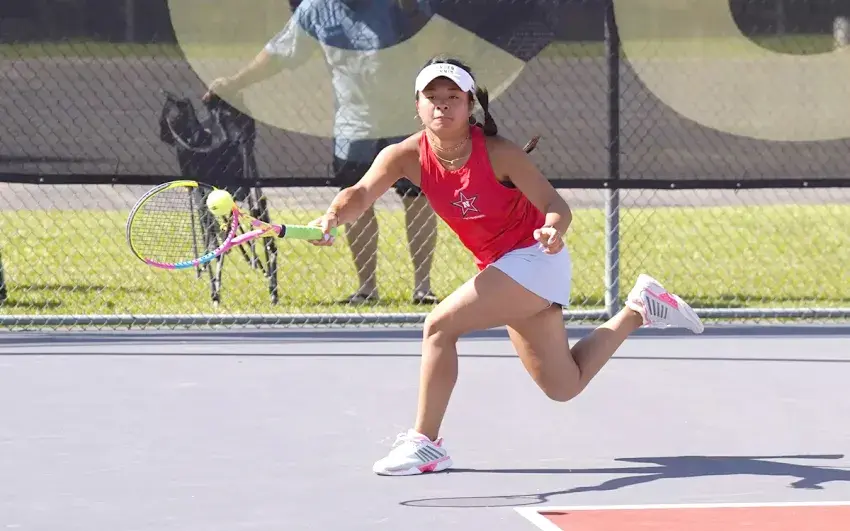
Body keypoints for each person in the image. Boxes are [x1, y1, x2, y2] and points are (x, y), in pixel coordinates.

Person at [308, 56, 705, 476]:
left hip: (536, 259)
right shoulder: (403, 156)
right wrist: (331, 217)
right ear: (417, 105)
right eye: (432, 96)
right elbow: (360, 194)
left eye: (453, 96)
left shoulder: (500, 154)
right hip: (501, 267)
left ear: (470, 105)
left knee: (439, 326)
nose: (442, 104)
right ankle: (640, 308)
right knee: (564, 385)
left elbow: (555, 204)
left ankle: (426, 444)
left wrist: (553, 229)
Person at [203, 0, 440, 305]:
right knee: (355, 200)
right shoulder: (316, 8)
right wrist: (234, 83)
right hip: (354, 125)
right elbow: (280, 52)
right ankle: (367, 290)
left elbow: (431, 39)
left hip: (404, 119)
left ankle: (423, 288)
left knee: (417, 198)